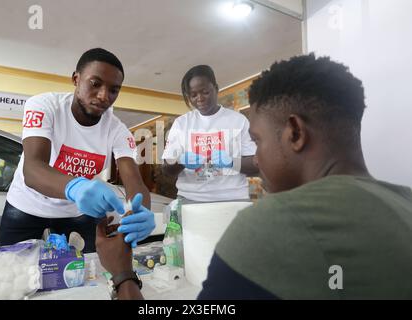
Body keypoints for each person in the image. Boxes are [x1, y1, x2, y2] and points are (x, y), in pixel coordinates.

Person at [95, 54, 412, 299]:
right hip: (192, 203)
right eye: (193, 95)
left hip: (228, 203)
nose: (257, 157)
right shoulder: (404, 201)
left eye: (258, 142)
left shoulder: (264, 227)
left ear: (295, 133)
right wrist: (178, 162)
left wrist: (123, 276)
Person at [0, 48, 155, 253]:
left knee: (85, 275)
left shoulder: (117, 130)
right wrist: (76, 187)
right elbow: (33, 169)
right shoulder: (45, 106)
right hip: (27, 206)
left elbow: (134, 180)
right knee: (12, 274)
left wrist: (141, 212)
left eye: (114, 90)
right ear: (76, 79)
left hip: (77, 213)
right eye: (95, 83)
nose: (103, 96)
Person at [161, 65, 258, 203]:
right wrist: (180, 161)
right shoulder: (181, 123)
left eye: (205, 92)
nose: (199, 98)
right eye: (193, 95)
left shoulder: (238, 121)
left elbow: (256, 165)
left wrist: (231, 162)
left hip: (233, 198)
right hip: (190, 198)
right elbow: (167, 171)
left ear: (216, 88)